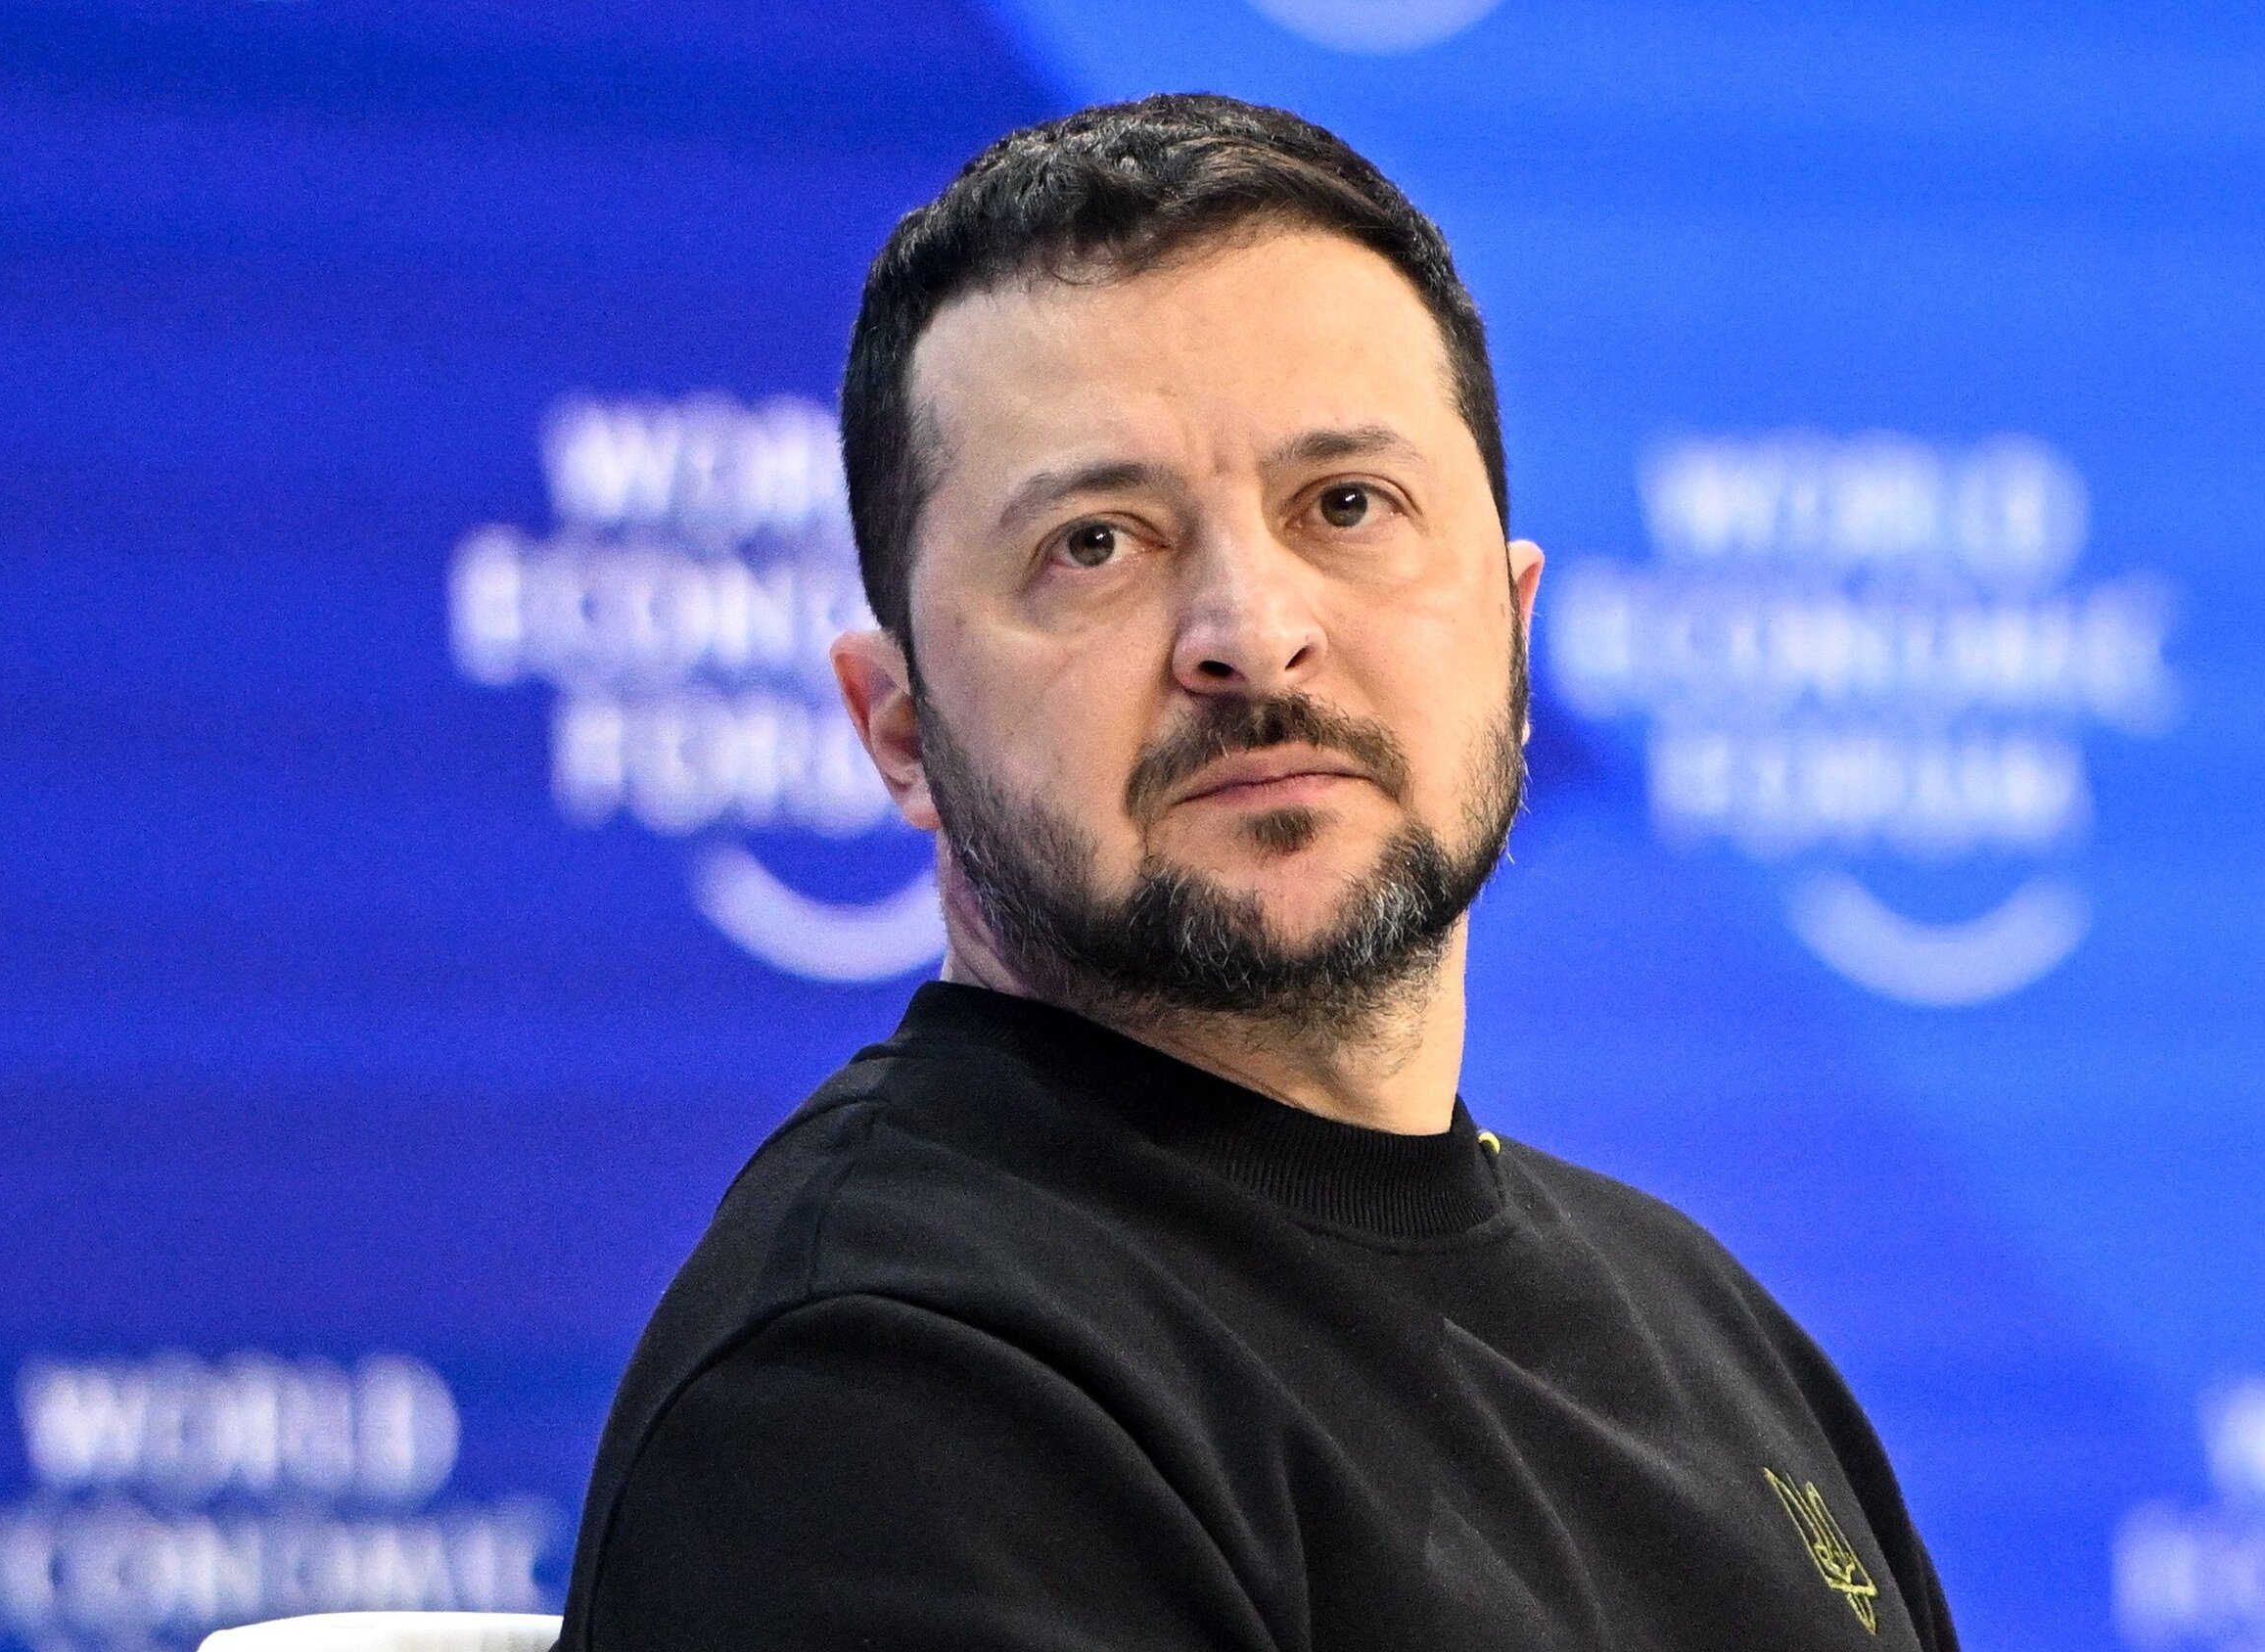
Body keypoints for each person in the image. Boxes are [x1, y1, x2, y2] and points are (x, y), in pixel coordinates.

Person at [554, 93, 1957, 1650]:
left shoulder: (1709, 1334)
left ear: (1514, 633)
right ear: (899, 729)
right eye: (1097, 542)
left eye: (1347, 505)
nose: (1251, 632)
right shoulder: (870, 1388)